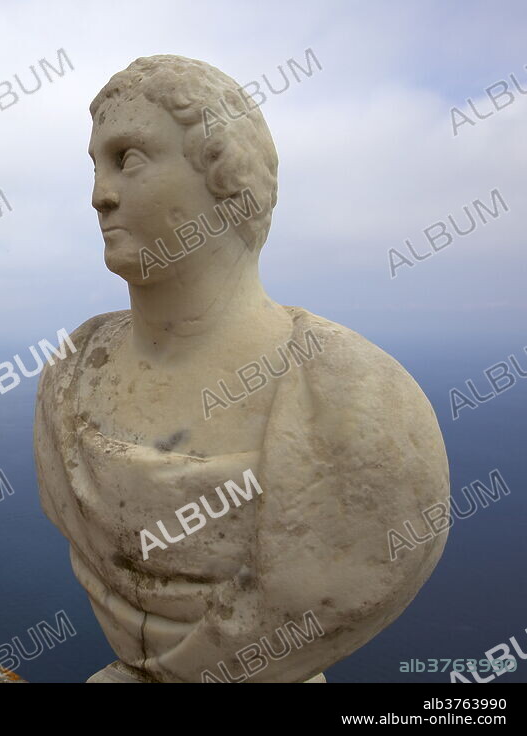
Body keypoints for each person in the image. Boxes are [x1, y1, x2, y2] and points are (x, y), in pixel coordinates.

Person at [34, 55, 450, 682]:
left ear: (226, 174)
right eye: (95, 165)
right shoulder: (71, 377)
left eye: (129, 158)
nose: (100, 194)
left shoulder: (360, 398)